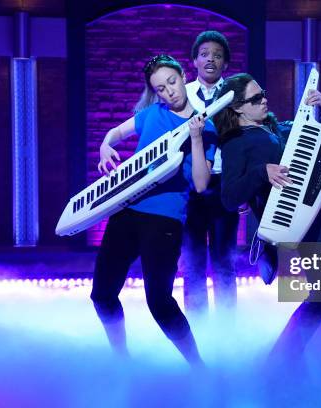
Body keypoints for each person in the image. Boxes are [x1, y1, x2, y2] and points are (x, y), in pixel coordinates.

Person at [214, 73, 321, 362]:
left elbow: (319, 144)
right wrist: (262, 172)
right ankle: (282, 362)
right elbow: (230, 197)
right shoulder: (236, 143)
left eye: (263, 93)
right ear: (237, 108)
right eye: (256, 98)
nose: (265, 100)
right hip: (307, 219)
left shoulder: (274, 126)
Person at [91, 55, 217, 368]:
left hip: (165, 220)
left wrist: (197, 137)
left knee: (159, 302)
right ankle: (121, 360)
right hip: (126, 211)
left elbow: (201, 184)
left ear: (183, 75)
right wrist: (105, 146)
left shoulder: (207, 124)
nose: (169, 92)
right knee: (102, 295)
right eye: (160, 88)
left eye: (172, 82)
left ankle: (198, 368)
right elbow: (115, 134)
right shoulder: (151, 114)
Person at [183, 31, 239, 314]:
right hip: (190, 188)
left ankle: (228, 331)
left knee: (224, 260)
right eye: (205, 53)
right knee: (192, 262)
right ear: (194, 60)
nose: (210, 59)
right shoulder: (182, 95)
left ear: (225, 64)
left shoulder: (236, 96)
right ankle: (196, 327)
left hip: (224, 185)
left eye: (217, 55)